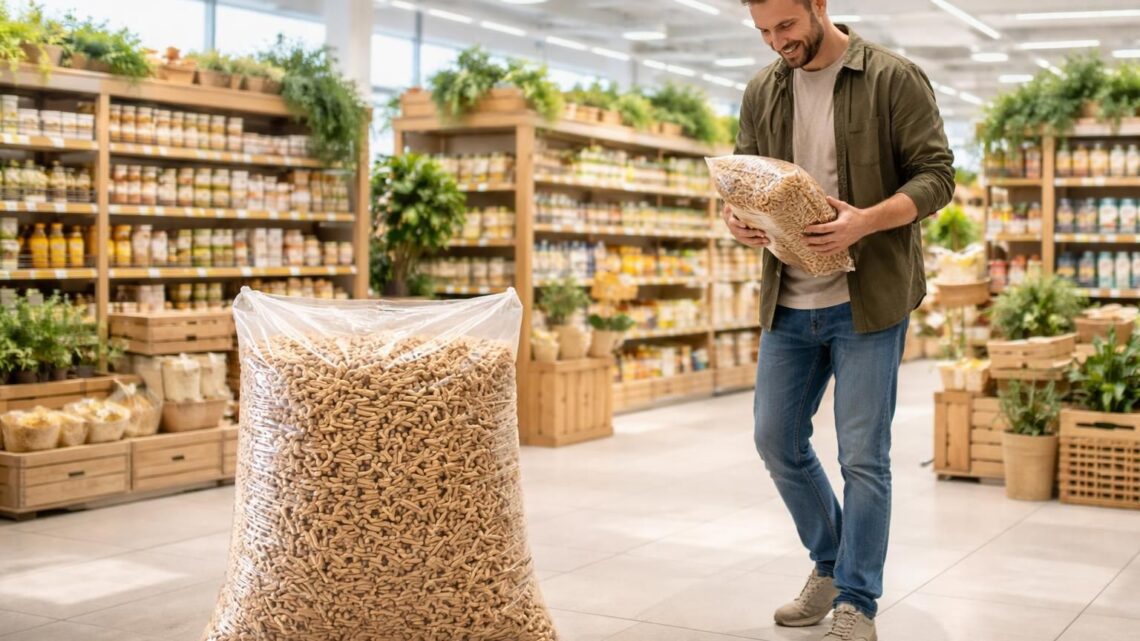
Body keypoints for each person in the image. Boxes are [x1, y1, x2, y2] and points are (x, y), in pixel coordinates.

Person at [727, 1, 955, 640]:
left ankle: (856, 600)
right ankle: (830, 562)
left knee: (862, 457)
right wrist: (737, 218)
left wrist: (865, 220)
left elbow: (938, 176)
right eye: (764, 31)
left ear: (819, 6)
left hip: (868, 302)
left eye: (786, 26)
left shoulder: (891, 77)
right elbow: (745, 177)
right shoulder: (762, 91)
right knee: (776, 440)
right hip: (788, 300)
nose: (777, 42)